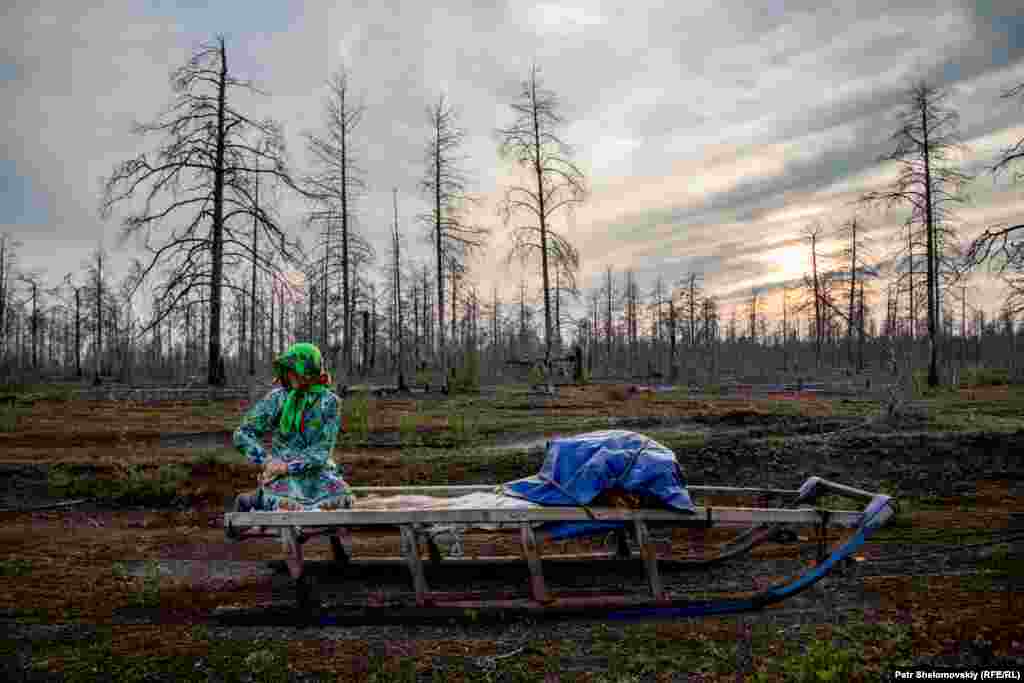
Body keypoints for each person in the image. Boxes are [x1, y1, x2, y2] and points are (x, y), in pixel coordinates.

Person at [228, 342, 354, 519]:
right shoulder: (277, 399)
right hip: (281, 473)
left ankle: (304, 517)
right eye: (288, 369)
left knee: (342, 497)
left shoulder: (330, 402)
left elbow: (322, 450)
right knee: (287, 505)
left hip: (316, 471)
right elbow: (242, 434)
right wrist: (268, 461)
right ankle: (253, 500)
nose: (290, 374)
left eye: (295, 369)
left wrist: (289, 467)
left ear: (310, 370)